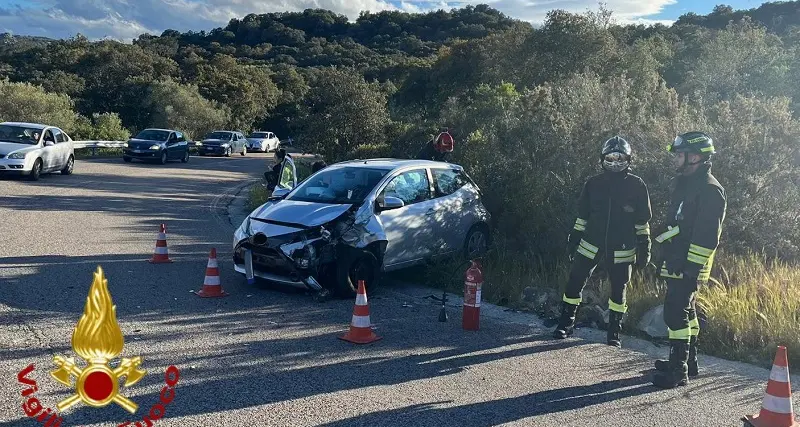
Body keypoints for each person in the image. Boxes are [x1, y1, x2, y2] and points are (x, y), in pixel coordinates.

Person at [553, 136, 652, 348]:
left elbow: (642, 222)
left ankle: (614, 332)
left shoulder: (637, 185)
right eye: (610, 157)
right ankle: (565, 323)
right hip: (591, 243)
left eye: (620, 157)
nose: (615, 162)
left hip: (622, 247)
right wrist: (574, 239)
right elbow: (582, 216)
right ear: (602, 158)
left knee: (618, 289)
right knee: (575, 280)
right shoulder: (593, 184)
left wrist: (645, 247)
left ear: (628, 159)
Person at [652, 131, 726, 389]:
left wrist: (690, 266)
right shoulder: (687, 184)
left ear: (695, 157)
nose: (676, 160)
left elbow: (706, 237)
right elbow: (680, 224)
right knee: (687, 311)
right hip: (677, 259)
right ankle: (688, 361)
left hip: (687, 263)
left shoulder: (709, 189)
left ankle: (677, 370)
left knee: (675, 313)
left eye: (680, 155)